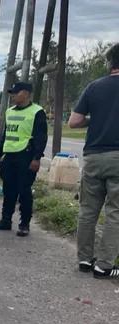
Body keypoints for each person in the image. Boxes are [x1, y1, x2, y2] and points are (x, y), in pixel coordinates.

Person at [68, 42, 119, 279]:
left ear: (110, 63)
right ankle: (105, 265)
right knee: (115, 213)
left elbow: (74, 122)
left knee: (88, 211)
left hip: (94, 156)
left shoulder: (94, 87)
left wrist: (95, 119)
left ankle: (84, 260)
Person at [0, 81, 47, 237]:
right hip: (9, 156)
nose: (13, 95)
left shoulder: (37, 112)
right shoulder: (10, 112)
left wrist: (37, 158)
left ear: (26, 94)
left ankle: (24, 224)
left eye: (16, 92)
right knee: (8, 190)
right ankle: (5, 220)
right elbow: (5, 135)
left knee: (24, 191)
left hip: (26, 156)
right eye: (12, 93)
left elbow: (41, 137)